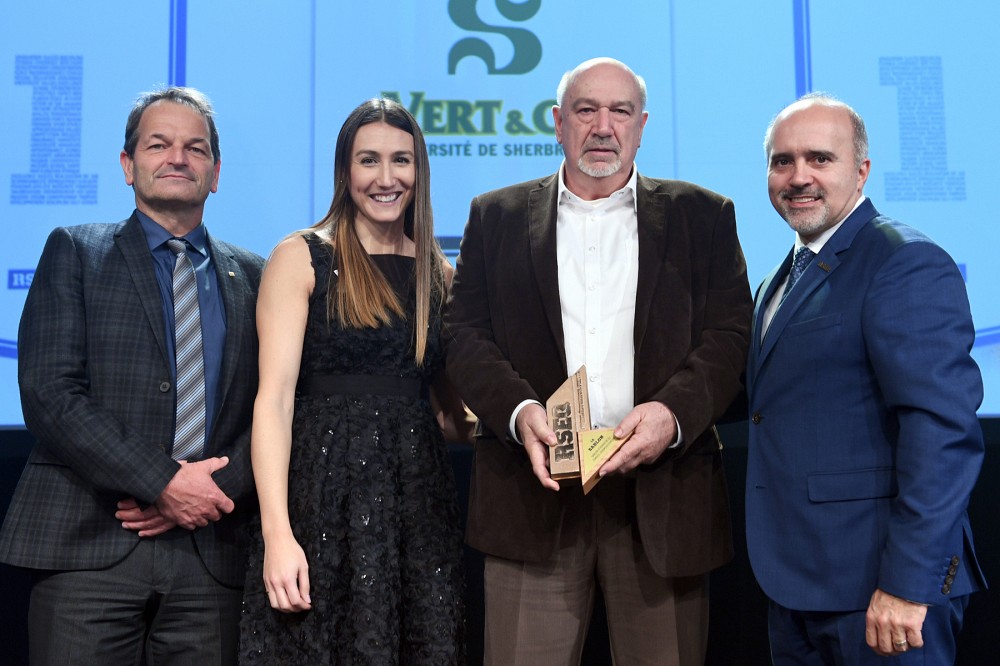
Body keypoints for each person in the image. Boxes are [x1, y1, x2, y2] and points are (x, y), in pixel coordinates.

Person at [445, 57, 753, 665]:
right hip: (532, 499)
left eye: (620, 111)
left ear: (643, 125)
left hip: (661, 502)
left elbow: (729, 336)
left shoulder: (703, 215)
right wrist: (520, 411)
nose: (603, 126)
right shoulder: (496, 215)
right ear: (559, 123)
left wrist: (671, 414)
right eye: (587, 110)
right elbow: (464, 336)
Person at [0, 87, 264, 664]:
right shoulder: (75, 250)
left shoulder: (255, 274)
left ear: (215, 173)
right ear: (128, 165)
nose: (177, 158)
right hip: (89, 548)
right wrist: (165, 483)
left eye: (195, 149)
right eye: (158, 144)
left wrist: (212, 490)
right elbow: (50, 392)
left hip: (212, 554)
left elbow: (275, 408)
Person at [745, 93, 987, 664]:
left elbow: (942, 434)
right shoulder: (784, 275)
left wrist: (908, 582)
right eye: (782, 161)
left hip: (883, 592)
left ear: (861, 170)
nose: (798, 176)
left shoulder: (904, 262)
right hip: (801, 584)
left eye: (820, 159)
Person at [239, 98, 469, 664]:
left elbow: (449, 416)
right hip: (321, 506)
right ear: (345, 171)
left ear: (420, 172)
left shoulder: (439, 273)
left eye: (402, 161)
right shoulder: (301, 257)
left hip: (419, 515)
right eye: (369, 161)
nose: (386, 178)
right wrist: (278, 535)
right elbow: (273, 404)